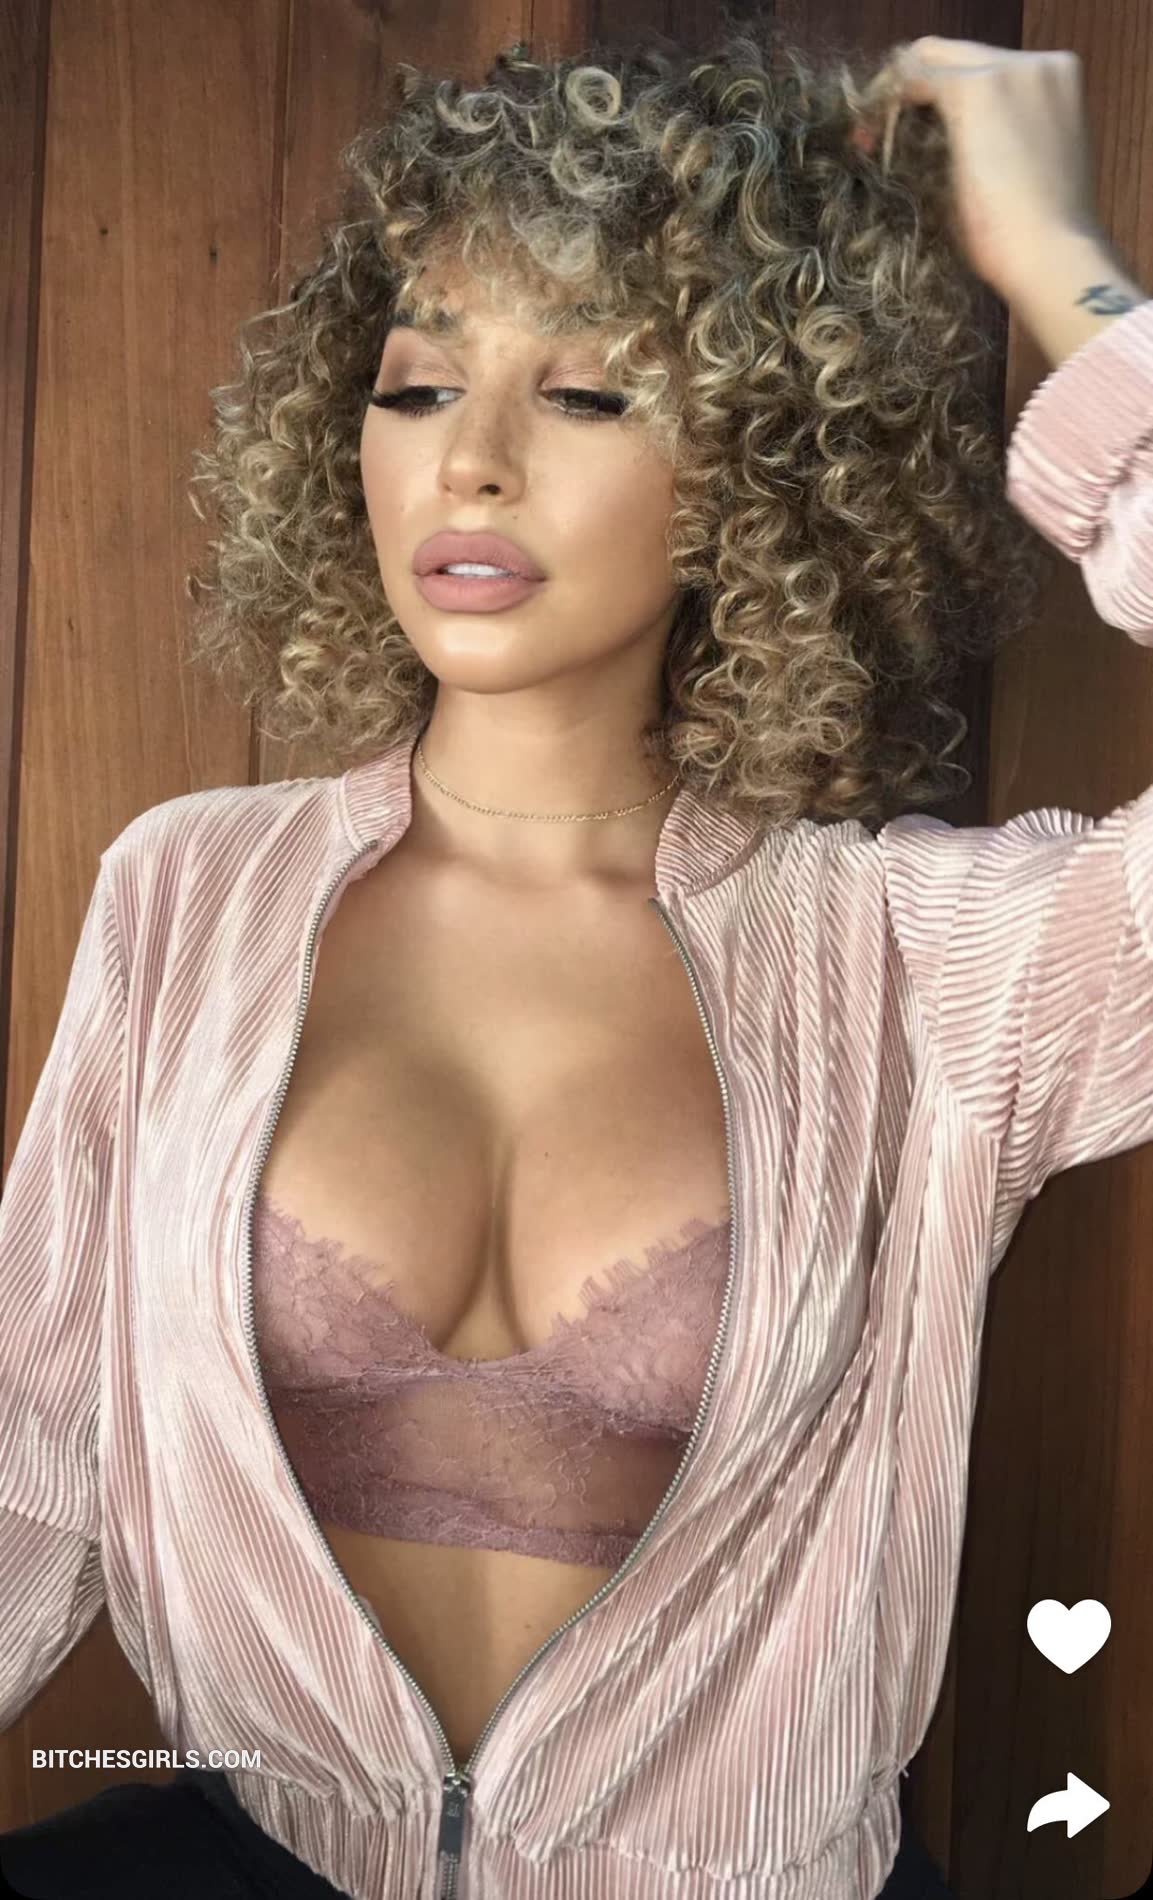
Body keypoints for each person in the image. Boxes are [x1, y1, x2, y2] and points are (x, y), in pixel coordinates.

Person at [2, 19, 1151, 1900]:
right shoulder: (189, 891)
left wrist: (1065, 272)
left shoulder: (923, 972)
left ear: (757, 468)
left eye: (591, 395)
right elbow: (35, 1447)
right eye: (415, 384)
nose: (468, 464)